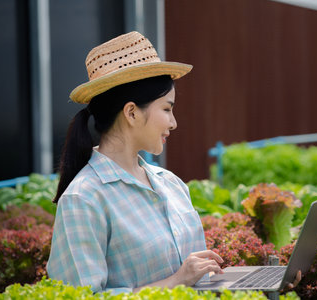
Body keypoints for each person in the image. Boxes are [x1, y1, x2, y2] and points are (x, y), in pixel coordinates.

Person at [47, 31, 223, 295]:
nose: (173, 123)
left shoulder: (171, 184)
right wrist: (176, 281)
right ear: (131, 112)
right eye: (166, 109)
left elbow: (199, 280)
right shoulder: (83, 199)